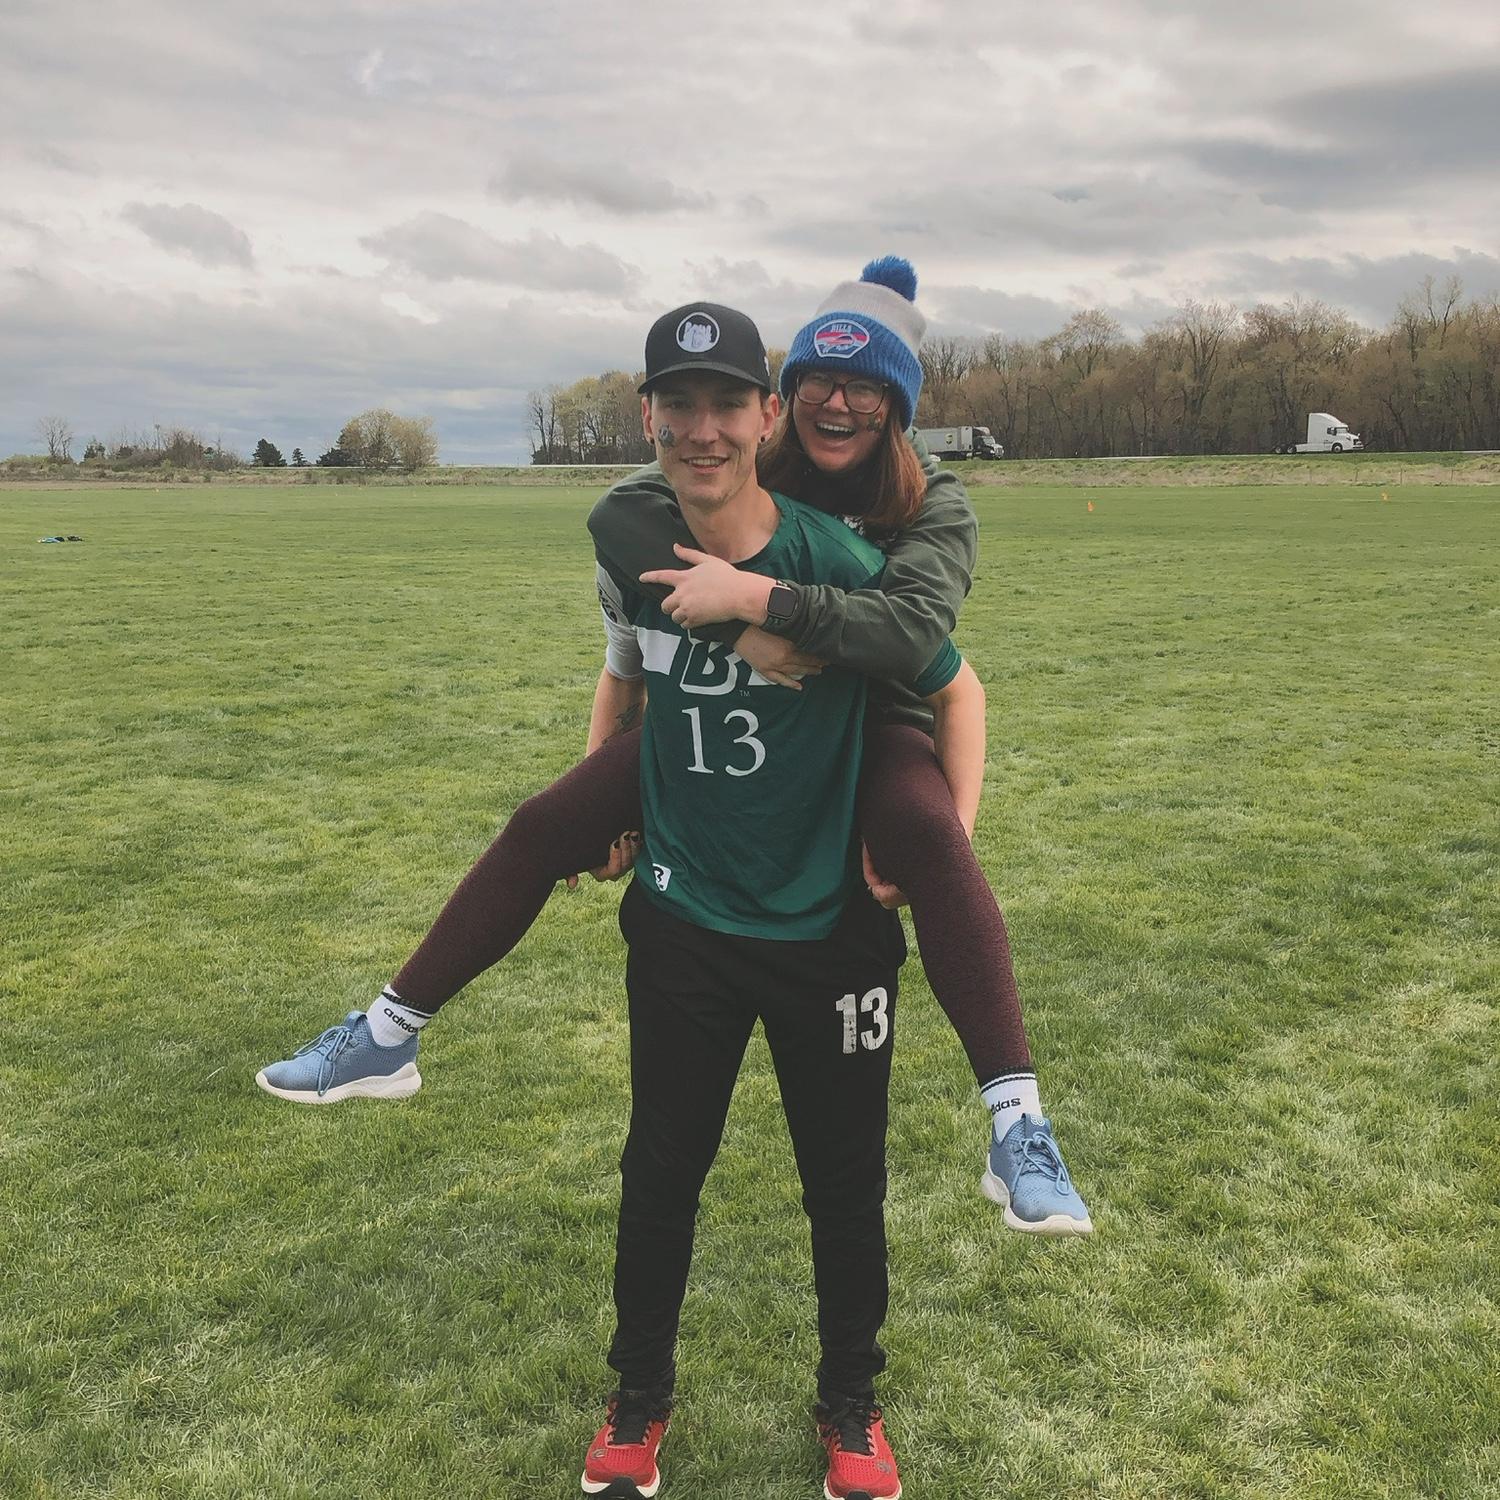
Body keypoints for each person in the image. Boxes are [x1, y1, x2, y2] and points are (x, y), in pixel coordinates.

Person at [254, 258, 1092, 1240]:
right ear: (783, 402)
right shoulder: (749, 462)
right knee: (547, 821)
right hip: (728, 715)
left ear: (897, 405)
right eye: (818, 381)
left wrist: (763, 604)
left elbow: (920, 643)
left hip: (870, 728)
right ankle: (387, 1034)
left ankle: (1018, 1127)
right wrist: (734, 642)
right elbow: (620, 518)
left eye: (864, 387)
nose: (837, 402)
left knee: (933, 836)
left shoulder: (931, 502)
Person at [578, 300, 974, 1500]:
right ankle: (637, 1400)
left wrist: (944, 845)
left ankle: (851, 1407)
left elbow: (947, 675)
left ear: (760, 416)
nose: (703, 428)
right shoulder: (644, 531)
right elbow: (622, 671)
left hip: (832, 920)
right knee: (661, 1170)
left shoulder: (854, 546)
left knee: (845, 1185)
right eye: (678, 404)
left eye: (724, 404)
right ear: (650, 414)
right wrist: (606, 792)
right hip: (686, 917)